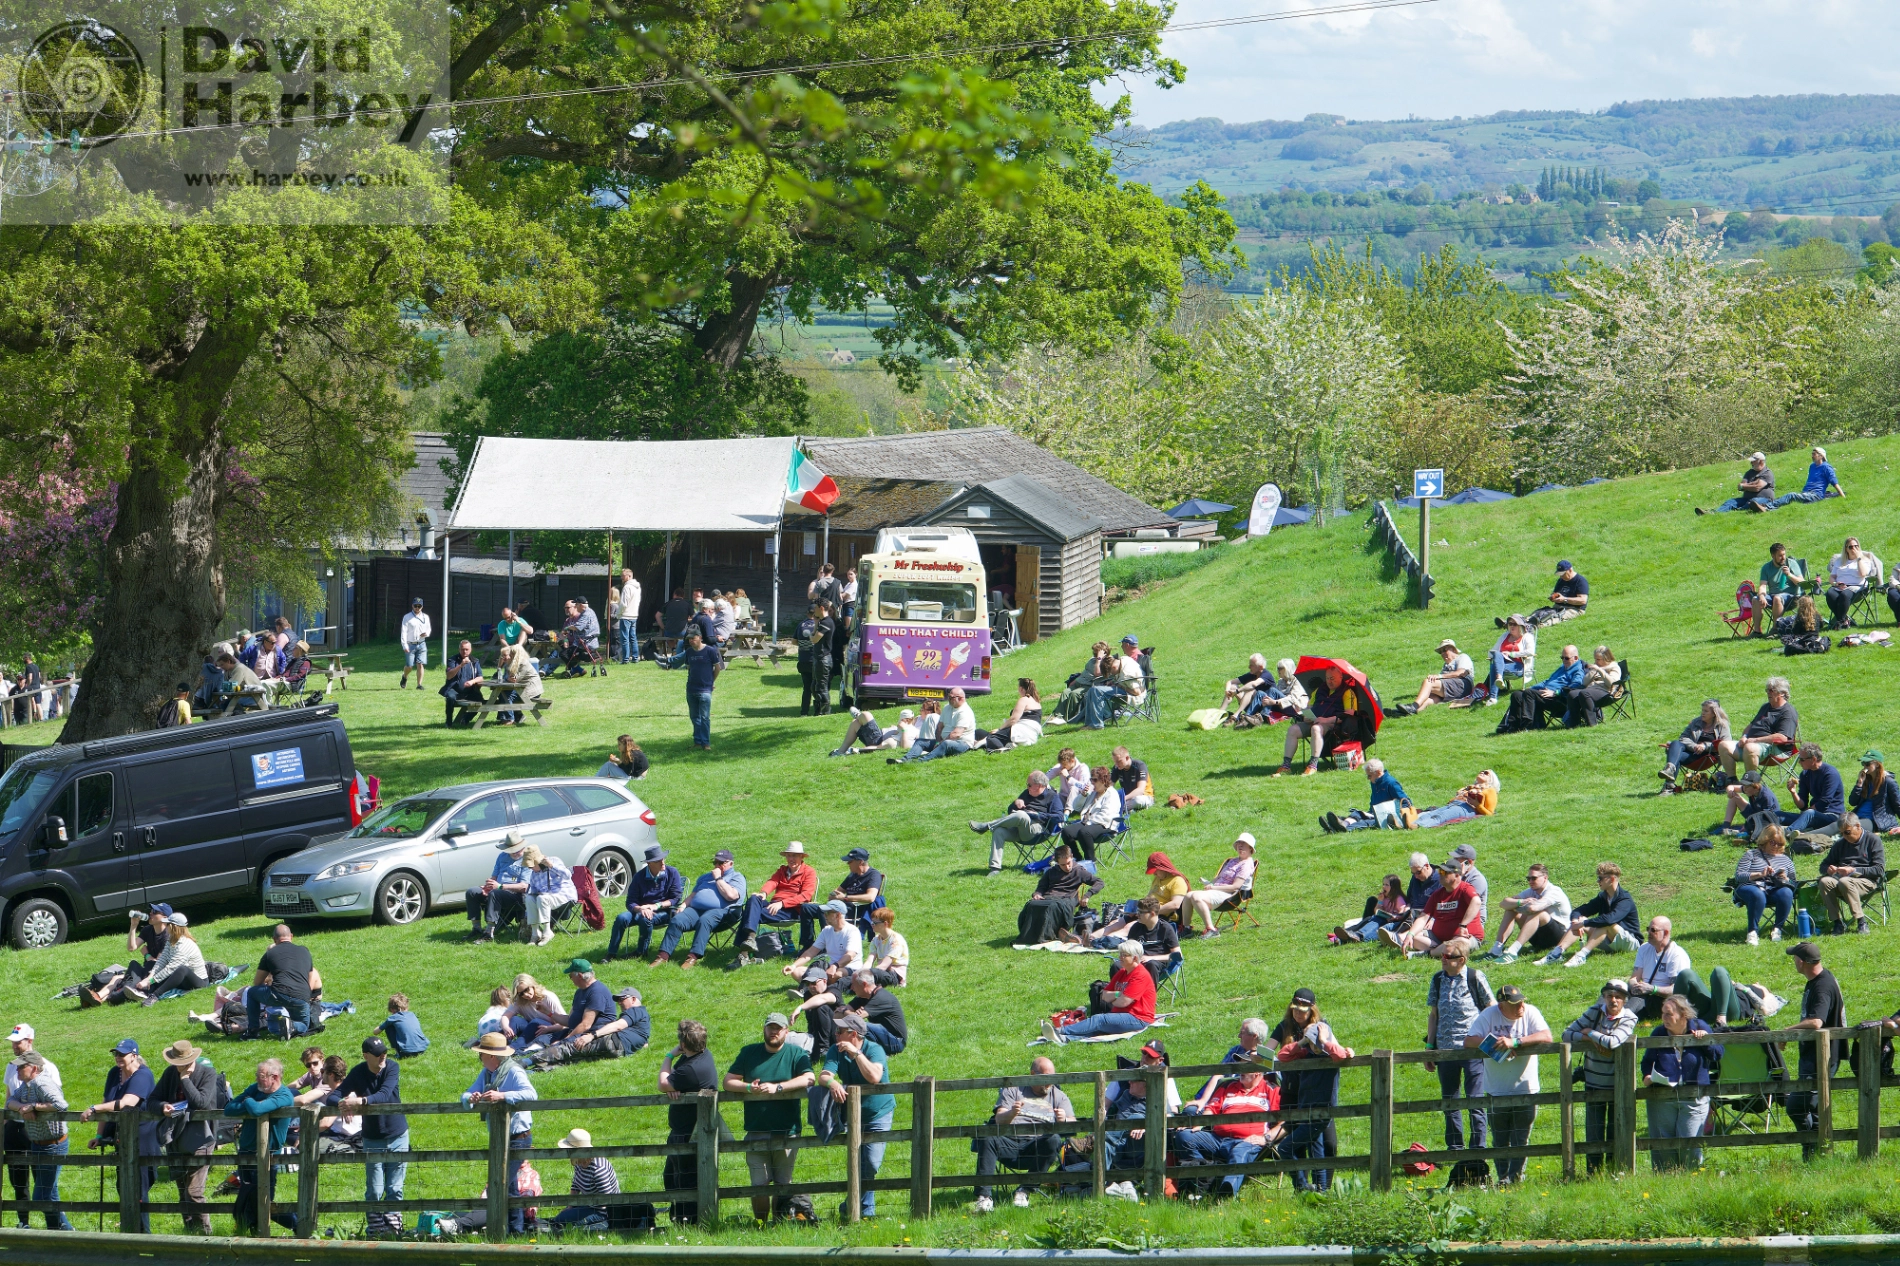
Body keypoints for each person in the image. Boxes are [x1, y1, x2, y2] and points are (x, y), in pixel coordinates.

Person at [724, 1014, 815, 1221]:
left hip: (787, 1131)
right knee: (759, 1184)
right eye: (770, 1027)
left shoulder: (795, 1053)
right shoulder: (749, 1052)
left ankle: (779, 1221)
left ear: (786, 1031)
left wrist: (778, 1087)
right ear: (764, 1029)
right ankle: (760, 1224)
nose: (773, 1031)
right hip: (756, 1131)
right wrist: (748, 1087)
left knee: (783, 1183)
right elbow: (728, 1081)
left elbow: (809, 1078)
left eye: (778, 1028)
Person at [1462, 983, 1551, 1185]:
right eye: (1514, 1004)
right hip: (1496, 1089)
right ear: (1501, 1005)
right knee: (1500, 1140)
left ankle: (1516, 1178)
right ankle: (1503, 1179)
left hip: (1526, 1089)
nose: (1520, 1007)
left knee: (1521, 1139)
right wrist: (1495, 1043)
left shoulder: (1530, 1012)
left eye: (1521, 1002)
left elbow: (1547, 1037)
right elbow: (1469, 1040)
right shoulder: (1489, 1015)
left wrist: (1515, 1042)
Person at [1174, 1052, 1282, 1200]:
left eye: (1244, 1066)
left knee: (1240, 1152)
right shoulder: (1227, 1086)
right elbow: (1211, 1109)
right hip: (1217, 1138)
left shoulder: (1271, 1090)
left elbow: (1283, 1122)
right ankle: (1206, 1175)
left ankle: (1225, 1193)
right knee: (1184, 1136)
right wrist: (1200, 1123)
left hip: (1248, 1141)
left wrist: (1266, 1138)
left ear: (1257, 1071)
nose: (1239, 1069)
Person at [1275, 990, 1352, 1193]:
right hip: (1305, 1108)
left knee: (1285, 1147)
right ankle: (1321, 1191)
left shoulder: (1329, 1054)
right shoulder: (1305, 1051)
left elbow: (1342, 1054)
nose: (1313, 1044)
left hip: (1321, 1111)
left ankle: (1304, 1187)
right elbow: (1282, 1056)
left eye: (1314, 1040)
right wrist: (1302, 1042)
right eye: (1311, 1040)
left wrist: (1325, 1040)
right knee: (1315, 1150)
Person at [971, 1058, 1074, 1211]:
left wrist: (1064, 1120)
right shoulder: (1013, 1089)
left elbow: (1074, 1123)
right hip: (1008, 1143)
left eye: (1052, 1079)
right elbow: (999, 1119)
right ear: (1033, 1074)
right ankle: (984, 1198)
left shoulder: (1058, 1096)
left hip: (1036, 1148)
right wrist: (1012, 1113)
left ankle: (1024, 1191)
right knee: (987, 1137)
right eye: (1045, 1079)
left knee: (1054, 1140)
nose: (1049, 1083)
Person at [462, 1033, 538, 1234]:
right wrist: (473, 1097)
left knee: (504, 1182)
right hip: (499, 1136)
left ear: (491, 1057)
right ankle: (515, 1230)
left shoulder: (513, 1071)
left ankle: (513, 1229)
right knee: (508, 1183)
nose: (480, 1058)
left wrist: (502, 1095)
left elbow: (531, 1094)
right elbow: (466, 1094)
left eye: (482, 1054)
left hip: (518, 1136)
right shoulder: (486, 1073)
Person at [1426, 944, 1494, 1165]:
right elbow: (1433, 1015)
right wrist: (1430, 1048)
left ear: (1462, 959)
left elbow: (1491, 1008)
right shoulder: (1437, 979)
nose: (1443, 959)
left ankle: (1477, 1150)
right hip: (1445, 1051)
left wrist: (1488, 1043)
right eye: (1442, 956)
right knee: (1450, 1101)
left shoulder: (1475, 977)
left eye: (1449, 957)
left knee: (1475, 1100)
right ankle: (1455, 1148)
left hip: (1472, 1050)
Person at [335, 1036, 409, 1235]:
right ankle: (375, 1231)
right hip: (372, 1137)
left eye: (384, 1051)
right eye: (378, 1054)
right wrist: (343, 1103)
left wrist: (358, 1102)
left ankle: (394, 1231)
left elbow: (384, 1095)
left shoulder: (392, 1068)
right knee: (375, 1189)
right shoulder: (358, 1072)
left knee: (395, 1187)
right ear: (366, 1056)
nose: (383, 1056)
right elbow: (335, 1094)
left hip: (397, 1134)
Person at [1562, 980, 1636, 1174]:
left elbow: (1612, 1042)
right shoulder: (1594, 1012)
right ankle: (1593, 1173)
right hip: (1593, 1084)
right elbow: (1566, 1034)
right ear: (1604, 996)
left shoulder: (1629, 1018)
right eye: (1609, 995)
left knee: (1615, 1131)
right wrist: (1588, 1038)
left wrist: (1590, 1032)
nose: (1613, 1000)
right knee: (1593, 1132)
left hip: (1617, 1085)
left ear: (1624, 1000)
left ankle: (1614, 1172)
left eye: (1618, 996)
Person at [1641, 995, 1721, 1172]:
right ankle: (1665, 1181)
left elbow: (1718, 1054)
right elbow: (1647, 1062)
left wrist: (1705, 1040)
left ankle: (1690, 1179)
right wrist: (1647, 1076)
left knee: (1689, 1143)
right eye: (1663, 1013)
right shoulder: (1658, 1033)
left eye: (1669, 1014)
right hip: (1662, 1097)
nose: (1664, 1018)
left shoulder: (1700, 1026)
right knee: (1663, 1145)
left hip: (1694, 1097)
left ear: (1683, 1015)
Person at [658, 1019, 726, 1226]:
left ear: (683, 1045)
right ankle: (682, 1218)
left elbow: (662, 1084)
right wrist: (674, 1083)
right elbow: (670, 1083)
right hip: (686, 1129)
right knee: (672, 1177)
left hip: (688, 1132)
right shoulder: (702, 1056)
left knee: (684, 1180)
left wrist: (669, 1055)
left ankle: (687, 1223)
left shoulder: (691, 1068)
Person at [151, 1039, 219, 1234]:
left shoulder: (208, 1073)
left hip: (202, 1136)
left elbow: (202, 1103)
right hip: (177, 1136)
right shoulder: (169, 1073)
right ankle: (190, 1233)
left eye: (183, 1063)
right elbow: (152, 1100)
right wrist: (162, 1106)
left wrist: (185, 1079)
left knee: (194, 1192)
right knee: (183, 1191)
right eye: (177, 1064)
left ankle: (206, 1235)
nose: (179, 1067)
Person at [1785, 940, 1845, 1160]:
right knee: (1815, 1109)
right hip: (1813, 1056)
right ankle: (1817, 1155)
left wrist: (1787, 1030)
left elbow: (1817, 1022)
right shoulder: (1816, 980)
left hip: (1822, 1057)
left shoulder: (1822, 985)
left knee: (1796, 1106)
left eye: (1794, 958)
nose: (1793, 961)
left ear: (1801, 962)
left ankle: (1812, 1148)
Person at [225, 1058, 298, 1234]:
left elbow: (257, 1111)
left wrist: (248, 1102)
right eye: (257, 1075)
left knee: (264, 1201)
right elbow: (229, 1109)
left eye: (261, 1076)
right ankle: (252, 1234)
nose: (257, 1079)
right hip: (246, 1152)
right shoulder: (255, 1089)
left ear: (275, 1077)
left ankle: (298, 1224)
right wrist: (252, 1104)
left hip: (268, 1156)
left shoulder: (284, 1095)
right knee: (248, 1197)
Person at [1041, 941, 1156, 1043]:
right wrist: (1118, 994)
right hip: (1122, 1014)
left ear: (1135, 958)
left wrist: (1116, 999)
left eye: (1124, 955)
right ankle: (1064, 1038)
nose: (1119, 957)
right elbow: (1104, 996)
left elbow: (1122, 1003)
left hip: (1138, 1018)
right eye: (1120, 954)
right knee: (1098, 1028)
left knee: (1099, 1020)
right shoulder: (1122, 972)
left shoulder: (1140, 975)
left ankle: (1060, 1031)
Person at [5, 1051, 70, 1230]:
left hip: (53, 1145)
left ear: (34, 1068)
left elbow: (61, 1104)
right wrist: (22, 1108)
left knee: (42, 1196)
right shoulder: (26, 1085)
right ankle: (57, 1233)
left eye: (21, 1067)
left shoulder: (41, 1083)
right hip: (39, 1143)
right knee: (50, 1194)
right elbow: (10, 1100)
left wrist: (34, 1106)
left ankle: (64, 1229)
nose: (17, 1070)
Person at [730, 842, 819, 968]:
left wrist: (782, 903)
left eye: (794, 856)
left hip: (791, 909)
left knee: (750, 913)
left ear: (801, 857)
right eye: (788, 856)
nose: (791, 859)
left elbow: (806, 896)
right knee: (754, 899)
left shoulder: (809, 872)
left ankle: (743, 953)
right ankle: (750, 940)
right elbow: (772, 881)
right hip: (774, 905)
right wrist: (764, 893)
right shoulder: (782, 870)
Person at [655, 849, 747, 968]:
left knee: (705, 919)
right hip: (696, 909)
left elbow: (731, 896)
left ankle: (692, 957)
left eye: (721, 863)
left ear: (731, 864)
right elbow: (693, 895)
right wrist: (683, 905)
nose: (717, 865)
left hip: (725, 912)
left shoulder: (737, 877)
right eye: (715, 862)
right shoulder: (705, 877)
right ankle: (662, 956)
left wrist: (718, 878)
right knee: (678, 920)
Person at [1540, 862, 1640, 967]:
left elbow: (1610, 920)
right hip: (1609, 941)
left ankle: (1581, 956)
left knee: (1605, 923)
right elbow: (1581, 910)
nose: (1598, 881)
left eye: (1601, 878)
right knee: (1580, 919)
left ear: (1612, 879)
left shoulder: (1625, 899)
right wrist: (1575, 920)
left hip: (1630, 943)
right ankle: (1556, 954)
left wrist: (1584, 923)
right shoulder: (1603, 897)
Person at [1379, 852, 1474, 963]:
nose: (1441, 875)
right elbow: (1416, 906)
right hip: (1427, 925)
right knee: (1405, 927)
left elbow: (1476, 902)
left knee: (1456, 945)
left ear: (1457, 875)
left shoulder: (1464, 889)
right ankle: (1368, 934)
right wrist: (1410, 932)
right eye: (1440, 871)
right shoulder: (1437, 891)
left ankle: (1416, 946)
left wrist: (1462, 925)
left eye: (1444, 872)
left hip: (1463, 936)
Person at [532, 985, 650, 1069]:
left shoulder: (636, 1010)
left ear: (633, 999)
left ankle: (526, 1061)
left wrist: (592, 1035)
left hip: (613, 1042)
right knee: (575, 1061)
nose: (619, 1002)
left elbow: (618, 1026)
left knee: (570, 1048)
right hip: (619, 1052)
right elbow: (643, 1041)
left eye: (622, 999)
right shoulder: (642, 1019)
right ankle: (538, 1070)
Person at [971, 769, 1064, 874]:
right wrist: (1016, 803)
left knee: (1022, 815)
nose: (1027, 787)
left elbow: (1059, 817)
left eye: (1029, 785)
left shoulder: (1052, 796)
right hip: (1020, 830)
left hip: (1038, 831)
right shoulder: (1026, 793)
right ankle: (995, 868)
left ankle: (987, 826)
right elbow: (1010, 811)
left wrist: (1037, 815)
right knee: (999, 831)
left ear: (1038, 786)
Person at [608, 845, 685, 962]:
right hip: (641, 911)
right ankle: (611, 954)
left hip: (665, 911)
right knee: (621, 918)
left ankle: (641, 951)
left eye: (663, 859)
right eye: (658, 860)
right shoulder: (639, 877)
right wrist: (640, 909)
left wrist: (655, 906)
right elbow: (630, 902)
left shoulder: (672, 873)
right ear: (650, 863)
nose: (662, 862)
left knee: (646, 919)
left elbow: (675, 899)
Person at [1015, 844, 1104, 945]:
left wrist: (1087, 895)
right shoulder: (1051, 872)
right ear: (1057, 863)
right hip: (1049, 897)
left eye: (1068, 863)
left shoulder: (1079, 871)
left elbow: (1099, 882)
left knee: (1052, 907)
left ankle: (1048, 936)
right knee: (1032, 905)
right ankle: (1031, 936)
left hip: (1066, 899)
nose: (1067, 867)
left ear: (1072, 857)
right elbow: (1041, 887)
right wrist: (1037, 894)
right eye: (1063, 865)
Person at [1482, 863, 1572, 961]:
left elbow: (1533, 909)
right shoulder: (1531, 891)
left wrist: (1522, 905)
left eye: (1534, 878)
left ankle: (1513, 951)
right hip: (1539, 937)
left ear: (1545, 878)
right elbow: (1503, 904)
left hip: (1559, 937)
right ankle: (1497, 949)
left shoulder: (1554, 892)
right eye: (1528, 878)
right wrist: (1522, 901)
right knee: (1511, 909)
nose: (1530, 881)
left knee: (1539, 914)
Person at [1274, 666, 1353, 776]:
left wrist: (1325, 720)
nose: (1329, 681)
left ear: (1340, 677)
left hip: (1333, 724)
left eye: (1332, 678)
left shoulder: (1347, 692)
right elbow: (1309, 706)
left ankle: (1312, 765)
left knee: (1316, 729)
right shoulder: (1320, 689)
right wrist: (1306, 715)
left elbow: (1349, 714)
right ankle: (1286, 766)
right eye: (1327, 678)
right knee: (1293, 730)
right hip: (1313, 721)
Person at [1718, 677, 1799, 784]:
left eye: (1771, 690)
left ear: (1782, 693)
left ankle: (1749, 783)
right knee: (1723, 745)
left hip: (1776, 749)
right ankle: (1732, 780)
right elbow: (1750, 726)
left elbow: (1782, 737)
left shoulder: (1788, 712)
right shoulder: (1765, 707)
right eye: (1767, 690)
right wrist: (1744, 737)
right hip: (1751, 745)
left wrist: (1754, 741)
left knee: (1750, 747)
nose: (1768, 693)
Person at [1816, 814, 1886, 935]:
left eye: (1847, 832)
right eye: (1842, 833)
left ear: (1858, 826)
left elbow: (1879, 870)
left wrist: (1853, 870)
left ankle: (1861, 921)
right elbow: (1823, 865)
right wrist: (1829, 869)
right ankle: (1837, 922)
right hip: (1843, 881)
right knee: (1825, 882)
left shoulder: (1873, 840)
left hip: (1867, 881)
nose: (1844, 836)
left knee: (1845, 881)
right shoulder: (1840, 844)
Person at [1092, 896, 1182, 988]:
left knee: (1151, 964)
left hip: (1157, 963)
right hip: (1136, 961)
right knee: (1116, 965)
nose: (1137, 914)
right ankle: (1118, 996)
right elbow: (1129, 949)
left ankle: (1147, 999)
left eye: (1140, 912)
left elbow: (1177, 955)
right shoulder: (1136, 927)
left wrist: (1151, 958)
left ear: (1152, 913)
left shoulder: (1165, 929)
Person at [248, 924, 317, 1038]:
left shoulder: (270, 954)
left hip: (279, 994)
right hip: (301, 997)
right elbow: (310, 977)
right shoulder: (305, 951)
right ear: (291, 936)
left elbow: (257, 982)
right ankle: (292, 1026)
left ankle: (253, 1031)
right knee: (304, 1025)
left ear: (274, 939)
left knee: (251, 992)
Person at [123, 912, 209, 1002]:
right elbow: (162, 960)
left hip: (199, 982)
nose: (165, 925)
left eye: (167, 924)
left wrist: (150, 981)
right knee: (160, 973)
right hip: (181, 980)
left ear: (173, 927)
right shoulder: (171, 940)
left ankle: (154, 996)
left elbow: (171, 968)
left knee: (182, 969)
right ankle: (143, 992)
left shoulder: (184, 944)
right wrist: (149, 978)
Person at [1182, 833, 1257, 936]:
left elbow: (1236, 886)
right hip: (1217, 891)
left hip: (1230, 895)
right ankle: (1186, 928)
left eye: (1243, 844)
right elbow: (1218, 878)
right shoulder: (1233, 861)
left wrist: (1213, 887)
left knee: (1196, 896)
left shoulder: (1246, 864)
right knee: (1188, 895)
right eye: (1238, 843)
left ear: (1250, 848)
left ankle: (1211, 929)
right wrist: (1210, 883)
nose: (1240, 846)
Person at [1495, 644, 1582, 732]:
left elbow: (1575, 686)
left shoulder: (1578, 671)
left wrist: (1556, 693)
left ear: (1576, 658)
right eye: (1562, 657)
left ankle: (1528, 724)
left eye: (1566, 658)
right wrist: (1532, 687)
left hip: (1559, 699)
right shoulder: (1563, 667)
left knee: (1529, 693)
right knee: (1517, 694)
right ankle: (1512, 725)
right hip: (1546, 694)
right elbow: (1547, 681)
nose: (1563, 660)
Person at [1733, 827, 1798, 945]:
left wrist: (1785, 878)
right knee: (1757, 894)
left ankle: (1777, 929)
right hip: (1751, 887)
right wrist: (1759, 874)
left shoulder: (1786, 860)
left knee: (1787, 892)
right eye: (1773, 842)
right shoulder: (1751, 854)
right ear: (1765, 839)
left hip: (1774, 889)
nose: (1776, 846)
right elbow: (1739, 876)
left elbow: (1794, 882)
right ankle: (1752, 932)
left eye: (1780, 843)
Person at [666, 628, 723, 751]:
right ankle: (697, 742)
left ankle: (706, 743)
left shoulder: (710, 651)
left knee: (705, 717)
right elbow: (689, 667)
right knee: (694, 717)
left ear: (700, 638)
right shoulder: (689, 652)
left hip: (705, 690)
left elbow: (717, 668)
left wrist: (711, 682)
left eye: (693, 638)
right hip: (691, 689)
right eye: (689, 639)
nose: (691, 641)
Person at [1657, 699, 1731, 794]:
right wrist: (1694, 746)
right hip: (1692, 753)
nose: (1702, 713)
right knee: (1675, 744)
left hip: (1708, 757)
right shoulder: (1696, 722)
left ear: (1714, 713)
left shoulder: (1722, 725)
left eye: (1706, 711)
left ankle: (1669, 786)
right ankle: (1670, 770)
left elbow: (1725, 743)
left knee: (1675, 753)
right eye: (1702, 710)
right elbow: (1683, 737)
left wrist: (1705, 746)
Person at [1625, 916, 1692, 1017]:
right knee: (1613, 988)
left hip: (1661, 1000)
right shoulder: (1644, 948)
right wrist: (1634, 985)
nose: (1649, 933)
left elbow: (1676, 991)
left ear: (1665, 933)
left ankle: (1621, 1018)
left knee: (1636, 1000)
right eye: (1648, 929)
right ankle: (1597, 1014)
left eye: (1653, 930)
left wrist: (1652, 989)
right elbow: (1634, 977)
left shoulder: (1677, 955)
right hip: (1643, 992)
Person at [1322, 757, 1407, 833]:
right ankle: (1341, 824)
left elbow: (1405, 802)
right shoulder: (1374, 782)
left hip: (1384, 816)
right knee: (1358, 813)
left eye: (1369, 776)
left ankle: (1340, 828)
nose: (1368, 778)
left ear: (1378, 772)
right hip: (1374, 812)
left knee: (1365, 822)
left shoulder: (1391, 783)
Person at [1059, 765, 1122, 863]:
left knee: (1084, 832)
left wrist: (1088, 822)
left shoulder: (1112, 794)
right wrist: (1083, 795)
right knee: (1066, 831)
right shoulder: (1093, 793)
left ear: (1103, 780)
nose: (1092, 782)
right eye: (1091, 779)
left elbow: (1106, 816)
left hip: (1106, 825)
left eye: (1095, 780)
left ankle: (1090, 861)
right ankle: (1077, 858)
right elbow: (1076, 807)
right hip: (1088, 823)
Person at [785, 902, 865, 978]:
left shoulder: (852, 931)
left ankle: (816, 985)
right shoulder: (826, 930)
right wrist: (793, 966)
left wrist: (835, 966)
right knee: (797, 971)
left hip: (850, 968)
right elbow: (811, 952)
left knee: (836, 974)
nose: (824, 915)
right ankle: (819, 985)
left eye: (827, 913)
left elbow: (850, 956)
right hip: (830, 968)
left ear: (838, 915)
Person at [894, 687, 975, 762]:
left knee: (946, 744)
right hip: (942, 741)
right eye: (949, 697)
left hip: (961, 743)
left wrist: (941, 743)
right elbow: (939, 727)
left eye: (951, 698)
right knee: (920, 741)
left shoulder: (965, 712)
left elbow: (956, 734)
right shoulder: (947, 708)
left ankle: (921, 761)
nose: (948, 699)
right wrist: (937, 742)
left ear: (960, 698)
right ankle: (905, 759)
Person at [1780, 743, 1845, 836]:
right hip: (1811, 814)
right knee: (1778, 815)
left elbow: (1824, 802)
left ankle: (1786, 833)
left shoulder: (1830, 774)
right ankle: (1761, 831)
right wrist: (1793, 792)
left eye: (1802, 759)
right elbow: (1802, 806)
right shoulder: (1805, 774)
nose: (1799, 762)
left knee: (1809, 813)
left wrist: (1806, 813)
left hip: (1832, 816)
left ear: (1813, 759)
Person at [523, 847, 577, 947]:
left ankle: (547, 932)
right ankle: (535, 934)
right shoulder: (534, 874)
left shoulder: (554, 861)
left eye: (531, 866)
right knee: (530, 898)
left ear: (538, 862)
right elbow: (533, 890)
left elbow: (568, 875)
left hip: (564, 895)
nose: (530, 869)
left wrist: (551, 866)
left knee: (543, 898)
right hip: (545, 899)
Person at [844, 970, 908, 1055]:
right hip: (882, 1036)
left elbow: (854, 1019)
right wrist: (849, 1013)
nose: (851, 988)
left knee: (861, 1025)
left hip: (896, 1042)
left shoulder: (881, 997)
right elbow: (841, 1013)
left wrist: (847, 1013)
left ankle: (878, 1053)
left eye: (854, 984)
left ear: (864, 984)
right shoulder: (863, 996)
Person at [1753, 543, 1813, 634]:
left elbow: (1802, 582)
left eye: (1784, 554)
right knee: (1755, 599)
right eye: (1780, 555)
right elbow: (1763, 585)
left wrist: (1789, 575)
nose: (1783, 557)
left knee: (1777, 598)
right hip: (1773, 595)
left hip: (1792, 597)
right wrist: (1761, 595)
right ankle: (1757, 631)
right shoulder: (1766, 568)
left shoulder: (1791, 563)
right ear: (1773, 556)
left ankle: (1775, 629)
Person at [1335, 872, 1410, 944]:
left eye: (1387, 885)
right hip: (1383, 919)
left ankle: (1358, 935)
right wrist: (1380, 901)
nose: (1383, 886)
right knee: (1372, 919)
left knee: (1375, 922)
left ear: (1393, 888)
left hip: (1392, 923)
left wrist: (1394, 917)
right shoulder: (1385, 898)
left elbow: (1402, 914)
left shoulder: (1398, 899)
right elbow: (1376, 911)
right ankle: (1346, 937)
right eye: (1383, 884)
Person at [1411, 770, 1500, 830]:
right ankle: (1409, 822)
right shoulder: (1470, 787)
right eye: (1481, 771)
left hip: (1466, 808)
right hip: (1454, 804)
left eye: (1486, 773)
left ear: (1491, 779)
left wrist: (1477, 805)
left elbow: (1490, 813)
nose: (1482, 772)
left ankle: (1417, 825)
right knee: (1431, 813)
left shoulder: (1490, 790)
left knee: (1440, 816)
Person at [1405, 639, 1474, 714]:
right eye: (1441, 652)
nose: (1443, 653)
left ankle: (1413, 706)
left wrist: (1439, 676)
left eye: (1445, 650)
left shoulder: (1462, 657)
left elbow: (1461, 673)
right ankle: (1408, 712)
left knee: (1429, 682)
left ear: (1453, 649)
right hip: (1453, 688)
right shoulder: (1446, 665)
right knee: (1430, 697)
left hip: (1463, 686)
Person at [1081, 651, 1147, 730]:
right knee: (1093, 690)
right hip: (1125, 689)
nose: (1112, 674)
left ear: (1113, 667)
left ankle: (1096, 725)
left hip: (1132, 696)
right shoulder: (1123, 660)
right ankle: (1089, 724)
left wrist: (1120, 686)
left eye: (1111, 672)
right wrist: (1113, 682)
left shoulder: (1127, 674)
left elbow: (1137, 692)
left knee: (1095, 690)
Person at [1825, 536, 1880, 628]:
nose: (1853, 548)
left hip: (1858, 587)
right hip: (1839, 586)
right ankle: (1843, 621)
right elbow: (1832, 577)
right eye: (1850, 547)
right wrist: (1835, 584)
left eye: (1856, 546)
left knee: (1845, 595)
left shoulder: (1865, 560)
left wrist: (1859, 559)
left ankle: (1840, 622)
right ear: (1846, 549)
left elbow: (1863, 573)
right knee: (1830, 594)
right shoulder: (1839, 561)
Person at [1560, 645, 1622, 728]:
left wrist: (1600, 671)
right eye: (1595, 659)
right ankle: (1574, 724)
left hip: (1606, 692)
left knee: (1585, 693)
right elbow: (1584, 683)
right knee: (1572, 694)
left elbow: (1612, 683)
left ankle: (1592, 724)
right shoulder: (1597, 667)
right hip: (1591, 690)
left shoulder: (1614, 667)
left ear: (1606, 658)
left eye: (1598, 659)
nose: (1596, 661)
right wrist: (1593, 671)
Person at [1478, 616, 1536, 703]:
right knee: (1497, 654)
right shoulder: (1505, 636)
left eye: (1515, 624)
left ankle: (1493, 697)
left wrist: (1512, 654)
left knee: (1494, 666)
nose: (1512, 626)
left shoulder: (1527, 637)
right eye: (1510, 624)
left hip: (1519, 667)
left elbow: (1530, 651)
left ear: (1520, 626)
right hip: (1503, 665)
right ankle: (1499, 679)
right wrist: (1500, 655)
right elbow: (1491, 652)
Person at [1517, 559, 1590, 629]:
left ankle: (1536, 626)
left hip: (1574, 609)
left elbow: (1583, 600)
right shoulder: (1561, 580)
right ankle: (1520, 621)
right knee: (1541, 612)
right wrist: (1554, 597)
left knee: (1555, 616)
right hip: (1558, 606)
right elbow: (1556, 592)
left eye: (1563, 574)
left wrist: (1564, 599)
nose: (1561, 576)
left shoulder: (1580, 581)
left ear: (1570, 570)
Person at [1766, 445, 1845, 510]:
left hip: (1816, 495)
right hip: (1806, 493)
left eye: (1814, 454)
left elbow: (1834, 481)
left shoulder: (1826, 467)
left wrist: (1842, 495)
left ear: (1821, 456)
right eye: (1812, 454)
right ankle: (1770, 506)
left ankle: (1767, 507)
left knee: (1791, 495)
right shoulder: (1812, 466)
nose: (1812, 456)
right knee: (1789, 499)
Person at [1696, 451, 1775, 514]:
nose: (1751, 463)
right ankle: (1713, 513)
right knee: (1731, 502)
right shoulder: (1749, 473)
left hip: (1764, 499)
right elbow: (1740, 487)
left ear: (1760, 462)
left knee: (1753, 503)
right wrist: (1753, 484)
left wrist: (1747, 485)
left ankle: (1738, 511)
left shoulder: (1767, 473)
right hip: (1746, 498)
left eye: (1753, 461)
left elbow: (1757, 488)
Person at [975, 679, 1043, 751]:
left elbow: (1013, 719)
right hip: (1030, 736)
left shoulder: (1024, 699)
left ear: (1021, 688)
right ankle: (1010, 744)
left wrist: (999, 730)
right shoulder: (1036, 701)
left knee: (991, 737)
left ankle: (1001, 748)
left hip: (1021, 732)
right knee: (980, 732)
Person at [829, 707, 918, 757]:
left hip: (878, 740)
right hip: (880, 736)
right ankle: (840, 752)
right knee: (855, 723)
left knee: (866, 715)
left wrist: (904, 729)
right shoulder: (904, 727)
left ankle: (858, 715)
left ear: (910, 719)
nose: (903, 721)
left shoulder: (912, 731)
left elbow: (905, 747)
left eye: (906, 719)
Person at [1851, 751, 1900, 835]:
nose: (1864, 766)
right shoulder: (1865, 780)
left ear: (1877, 764)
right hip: (1857, 816)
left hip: (1876, 820)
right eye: (1863, 763)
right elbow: (1852, 802)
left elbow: (1897, 804)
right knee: (1837, 825)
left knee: (1849, 828)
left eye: (1867, 764)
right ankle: (1822, 840)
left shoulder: (1888, 782)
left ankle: (1829, 840)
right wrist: (1859, 784)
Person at [493, 644, 543, 726]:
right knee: (502, 693)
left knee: (507, 695)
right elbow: (504, 677)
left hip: (532, 691)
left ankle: (510, 719)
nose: (509, 655)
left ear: (516, 654)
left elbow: (515, 679)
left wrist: (508, 678)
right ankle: (508, 718)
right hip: (522, 689)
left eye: (511, 653)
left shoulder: (523, 663)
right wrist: (500, 666)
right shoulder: (512, 663)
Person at [800, 600, 834, 716]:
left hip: (823, 659)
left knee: (821, 687)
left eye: (815, 608)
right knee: (814, 686)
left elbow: (814, 639)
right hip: (818, 658)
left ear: (821, 608)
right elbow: (815, 636)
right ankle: (818, 711)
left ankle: (825, 712)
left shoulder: (827, 622)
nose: (813, 611)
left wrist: (809, 635)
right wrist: (815, 623)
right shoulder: (821, 622)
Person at [866, 908, 908, 987]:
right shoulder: (876, 939)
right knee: (856, 976)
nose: (872, 924)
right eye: (872, 922)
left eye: (875, 923)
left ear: (885, 923)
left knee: (868, 978)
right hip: (880, 971)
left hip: (894, 974)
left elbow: (884, 965)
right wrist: (860, 972)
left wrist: (867, 975)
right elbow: (869, 961)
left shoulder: (896, 941)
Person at [617, 568, 643, 663]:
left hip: (626, 615)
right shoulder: (637, 587)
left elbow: (624, 603)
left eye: (623, 576)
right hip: (634, 614)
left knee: (625, 638)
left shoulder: (627, 587)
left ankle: (626, 658)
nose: (621, 578)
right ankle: (635, 657)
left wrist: (618, 613)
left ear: (629, 576)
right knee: (633, 637)